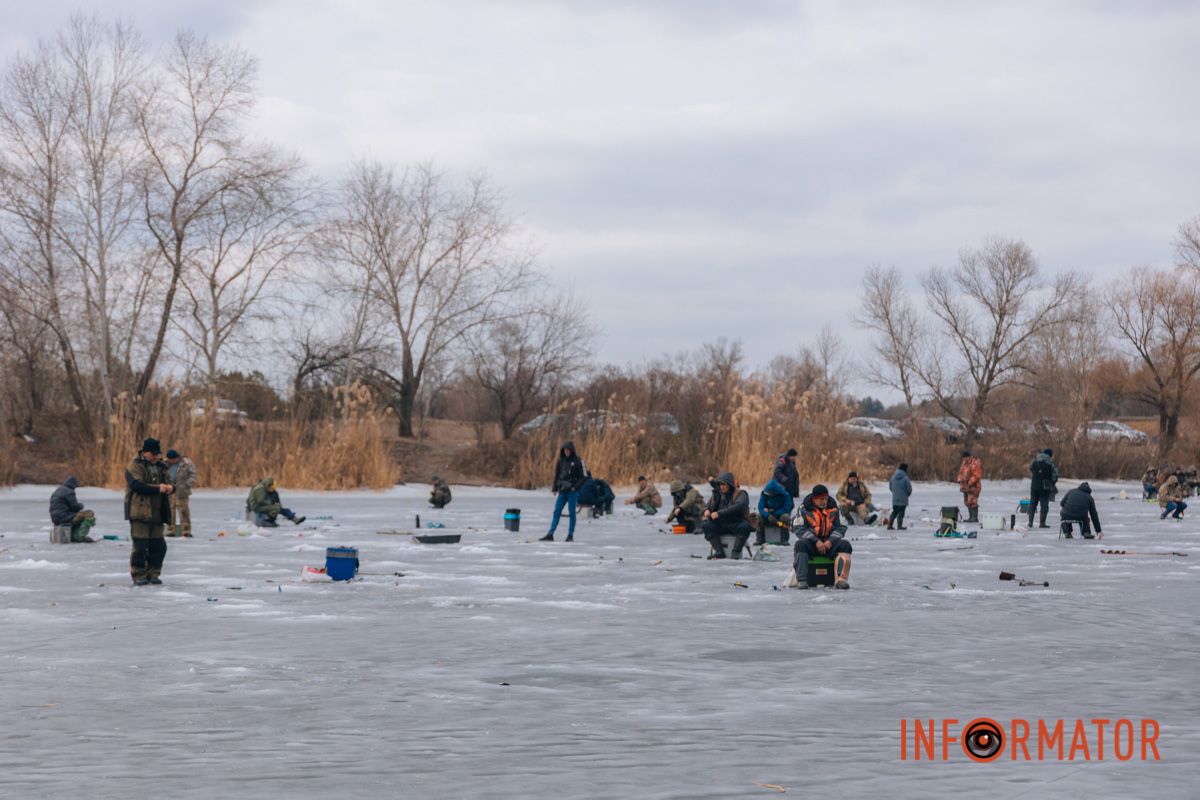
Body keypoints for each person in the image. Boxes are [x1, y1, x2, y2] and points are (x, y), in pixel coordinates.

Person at [124, 438, 173, 586]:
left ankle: (153, 573)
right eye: (153, 454)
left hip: (157, 513)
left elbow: (171, 483)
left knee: (159, 546)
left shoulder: (161, 466)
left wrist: (171, 488)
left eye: (157, 454)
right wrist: (158, 488)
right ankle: (139, 574)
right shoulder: (134, 466)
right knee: (140, 546)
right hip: (139, 512)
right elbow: (137, 485)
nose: (156, 457)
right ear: (145, 452)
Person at [792, 484, 853, 590]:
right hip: (812, 544)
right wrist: (816, 542)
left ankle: (841, 579)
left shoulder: (835, 508)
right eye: (820, 499)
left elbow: (842, 527)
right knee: (800, 545)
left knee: (845, 545)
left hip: (829, 544)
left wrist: (830, 541)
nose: (824, 501)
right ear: (814, 499)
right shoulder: (803, 509)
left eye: (825, 498)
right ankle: (802, 580)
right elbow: (799, 528)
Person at [541, 441, 586, 541]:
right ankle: (550, 533)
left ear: (572, 450)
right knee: (556, 511)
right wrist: (554, 488)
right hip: (562, 491)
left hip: (572, 492)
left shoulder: (578, 461)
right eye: (565, 450)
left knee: (572, 513)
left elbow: (584, 477)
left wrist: (575, 487)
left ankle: (570, 535)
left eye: (568, 450)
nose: (566, 452)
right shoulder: (560, 460)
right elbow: (556, 475)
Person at [701, 472, 753, 559]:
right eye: (720, 484)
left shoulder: (740, 494)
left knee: (745, 527)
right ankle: (719, 552)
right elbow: (708, 505)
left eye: (724, 484)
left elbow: (739, 507)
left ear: (730, 484)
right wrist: (706, 510)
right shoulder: (717, 494)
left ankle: (736, 552)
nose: (722, 487)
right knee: (707, 526)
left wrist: (719, 513)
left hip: (736, 523)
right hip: (721, 524)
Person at [49, 476, 96, 543]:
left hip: (56, 519)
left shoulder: (59, 489)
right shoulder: (69, 492)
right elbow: (75, 507)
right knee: (89, 513)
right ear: (73, 484)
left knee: (78, 516)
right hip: (64, 517)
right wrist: (81, 506)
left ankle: (73, 534)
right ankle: (79, 536)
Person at [164, 449, 197, 537]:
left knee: (184, 511)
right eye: (169, 459)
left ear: (176, 458)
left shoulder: (186, 463)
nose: (170, 461)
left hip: (182, 491)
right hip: (169, 491)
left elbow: (193, 474)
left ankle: (186, 531)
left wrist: (187, 484)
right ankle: (170, 530)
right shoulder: (164, 463)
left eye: (172, 460)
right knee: (169, 511)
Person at [754, 478, 794, 545]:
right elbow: (761, 507)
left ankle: (784, 539)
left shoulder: (786, 495)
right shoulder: (764, 493)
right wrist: (768, 515)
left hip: (779, 516)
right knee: (759, 516)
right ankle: (760, 539)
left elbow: (787, 508)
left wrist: (773, 512)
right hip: (768, 516)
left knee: (785, 517)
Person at [1028, 448, 1058, 529]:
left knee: (1032, 504)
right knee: (1044, 505)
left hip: (1034, 486)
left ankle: (1030, 523)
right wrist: (1052, 482)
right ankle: (1042, 523)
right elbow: (1055, 475)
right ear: (1050, 455)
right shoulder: (1050, 463)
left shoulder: (1035, 462)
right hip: (1045, 487)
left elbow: (1030, 468)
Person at [957, 450, 983, 523]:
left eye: (964, 458)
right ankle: (970, 517)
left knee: (972, 501)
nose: (963, 459)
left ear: (968, 457)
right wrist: (960, 481)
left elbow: (977, 475)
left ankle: (974, 517)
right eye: (962, 458)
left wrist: (969, 483)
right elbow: (961, 473)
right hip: (965, 486)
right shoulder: (964, 464)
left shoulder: (974, 464)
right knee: (967, 501)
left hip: (973, 486)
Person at [887, 463, 912, 530]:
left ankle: (889, 525)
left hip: (895, 499)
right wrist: (907, 494)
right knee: (901, 512)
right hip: (903, 499)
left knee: (894, 512)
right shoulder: (905, 478)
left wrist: (895, 493)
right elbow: (909, 488)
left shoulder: (893, 477)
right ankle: (899, 526)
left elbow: (890, 487)